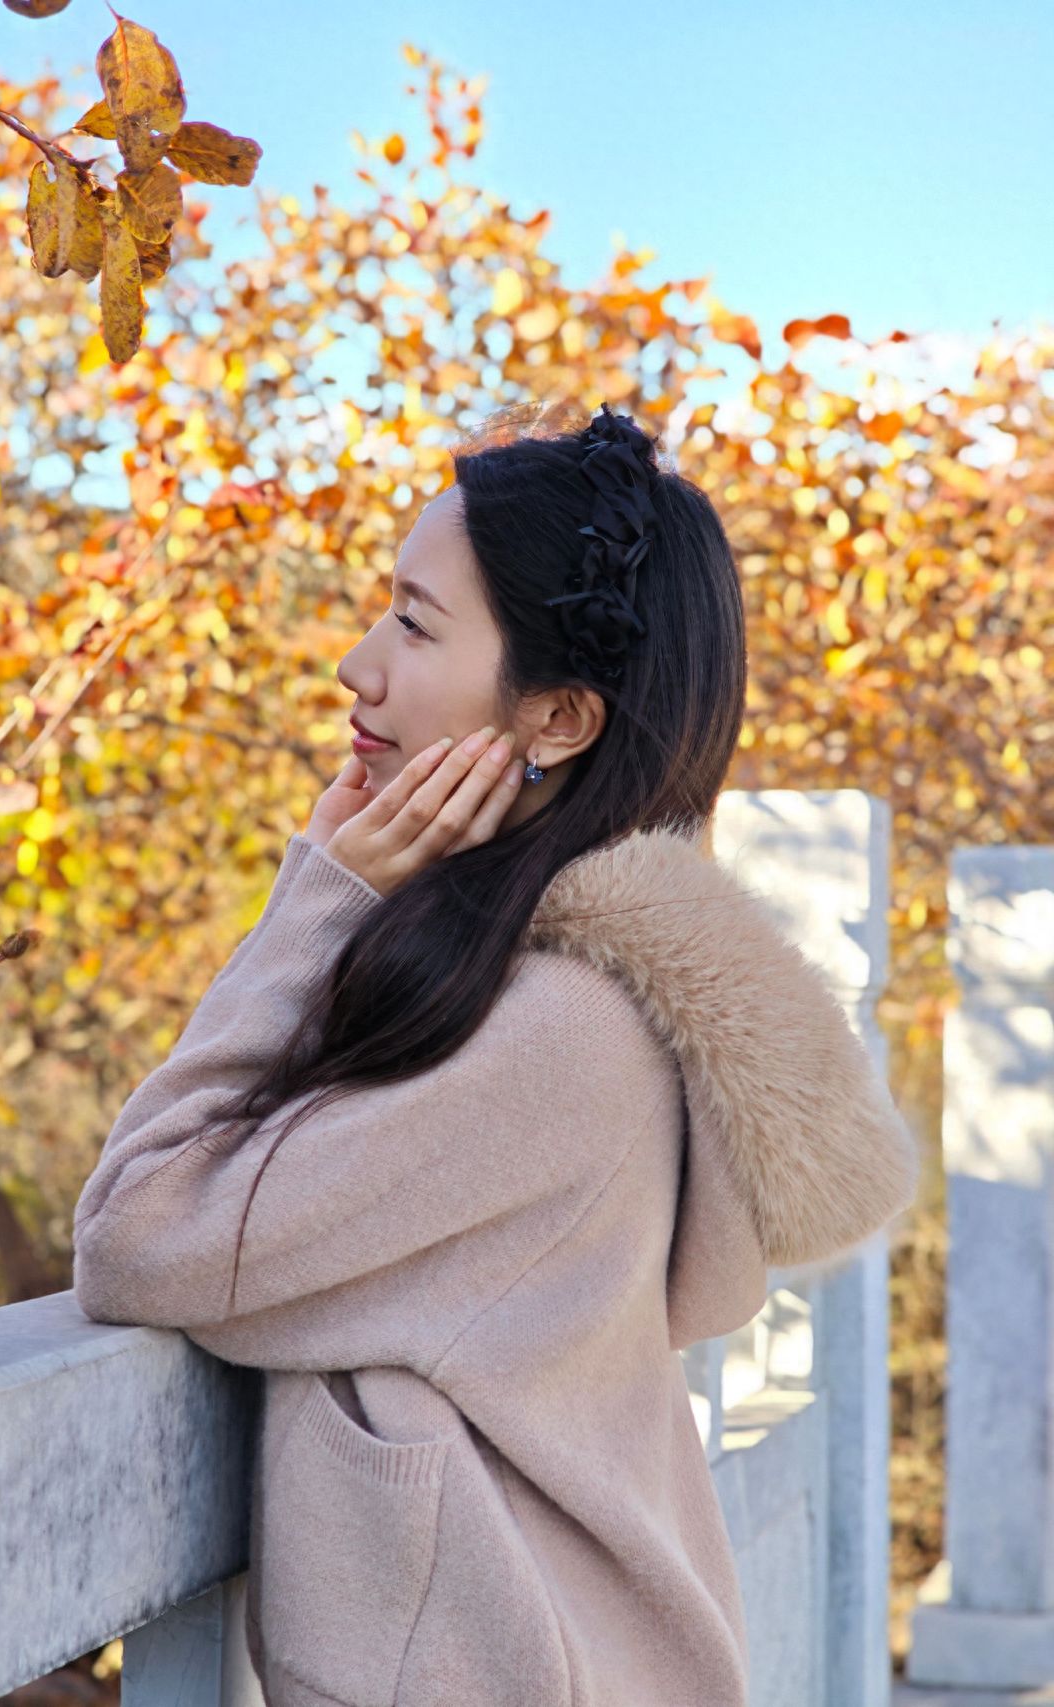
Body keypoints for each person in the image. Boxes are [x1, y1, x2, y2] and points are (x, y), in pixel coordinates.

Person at [72, 399, 920, 1707]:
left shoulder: (563, 1038)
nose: (357, 665)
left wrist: (316, 904)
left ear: (559, 721)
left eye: (414, 625)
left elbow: (139, 1231)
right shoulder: (543, 993)